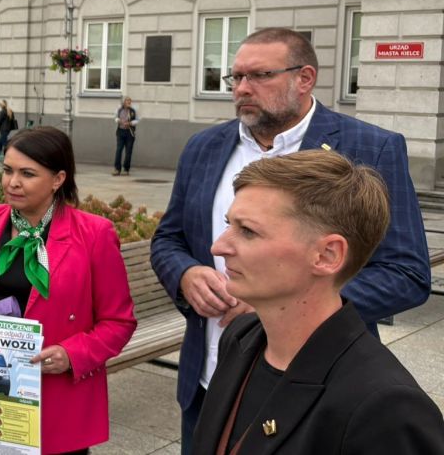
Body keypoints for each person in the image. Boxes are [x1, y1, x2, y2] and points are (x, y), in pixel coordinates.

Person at [149, 28, 430, 453]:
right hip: (212, 379)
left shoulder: (369, 148)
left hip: (319, 389)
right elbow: (169, 238)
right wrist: (186, 274)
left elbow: (406, 273)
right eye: (235, 77)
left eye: (260, 75)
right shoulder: (204, 147)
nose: (242, 88)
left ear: (305, 78)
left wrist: (282, 301)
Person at [190, 151, 444, 454]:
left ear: (327, 255)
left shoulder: (386, 408)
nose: (218, 247)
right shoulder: (242, 337)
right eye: (227, 224)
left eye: (248, 231)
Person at [0, 126, 136, 454]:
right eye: (7, 170)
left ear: (58, 179)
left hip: (56, 397)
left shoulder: (94, 234)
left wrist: (72, 355)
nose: (12, 182)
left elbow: (119, 323)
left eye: (27, 173)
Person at [112, 96, 138, 176]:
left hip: (130, 133)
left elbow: (137, 120)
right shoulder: (119, 109)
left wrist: (130, 123)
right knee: (119, 150)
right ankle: (117, 169)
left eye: (130, 102)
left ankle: (126, 169)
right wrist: (119, 121)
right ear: (124, 102)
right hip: (120, 132)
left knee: (128, 151)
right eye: (127, 101)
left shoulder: (133, 111)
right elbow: (115, 117)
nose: (129, 103)